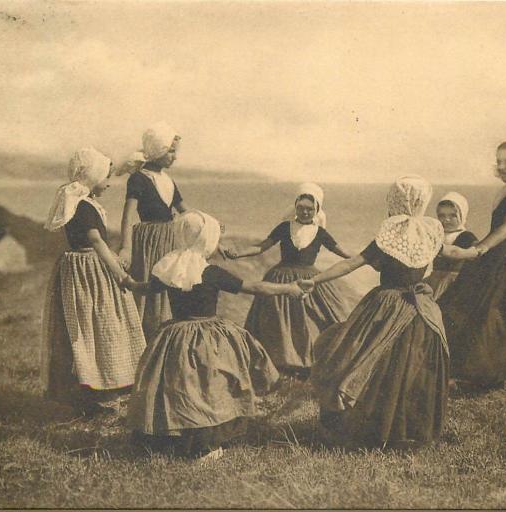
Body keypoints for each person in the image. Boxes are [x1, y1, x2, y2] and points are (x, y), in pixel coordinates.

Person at [301, 175, 478, 449]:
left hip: (386, 305)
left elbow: (351, 264)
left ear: (397, 201)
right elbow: (454, 252)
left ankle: (371, 428)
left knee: (362, 358)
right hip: (421, 308)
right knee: (412, 369)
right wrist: (482, 250)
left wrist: (315, 280)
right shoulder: (431, 233)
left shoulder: (389, 237)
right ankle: (405, 431)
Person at [124, 210, 305, 461]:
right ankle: (203, 446)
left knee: (177, 389)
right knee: (211, 387)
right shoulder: (209, 272)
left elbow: (144, 289)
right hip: (207, 337)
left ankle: (173, 438)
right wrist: (289, 288)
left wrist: (127, 281)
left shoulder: (168, 267)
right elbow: (254, 287)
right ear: (206, 241)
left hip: (175, 336)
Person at [42, 147, 146, 416]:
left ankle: (101, 388)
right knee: (98, 327)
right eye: (106, 178)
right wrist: (121, 275)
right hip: (90, 271)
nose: (109, 183)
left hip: (84, 268)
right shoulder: (82, 206)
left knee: (93, 328)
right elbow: (97, 243)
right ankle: (99, 391)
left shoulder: (78, 202)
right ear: (91, 177)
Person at [438, 135, 506, 390]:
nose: (503, 167)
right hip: (500, 256)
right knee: (479, 311)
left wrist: (477, 249)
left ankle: (482, 377)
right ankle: (470, 373)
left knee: (491, 316)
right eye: (499, 161)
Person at [227, 183, 352, 379]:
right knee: (277, 320)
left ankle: (309, 364)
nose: (304, 212)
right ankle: (281, 365)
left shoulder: (321, 233)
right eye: (300, 207)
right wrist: (238, 253)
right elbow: (262, 247)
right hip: (281, 277)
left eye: (309, 209)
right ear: (295, 206)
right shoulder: (285, 227)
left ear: (317, 209)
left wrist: (367, 259)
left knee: (314, 320)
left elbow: (343, 253)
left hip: (310, 280)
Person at [118, 122, 188, 340]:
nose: (175, 157)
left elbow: (185, 213)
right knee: (150, 287)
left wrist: (211, 234)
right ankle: (144, 340)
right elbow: (128, 215)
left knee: (169, 287)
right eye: (171, 151)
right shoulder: (139, 178)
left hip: (169, 240)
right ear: (158, 150)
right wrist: (126, 248)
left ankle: (166, 336)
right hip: (148, 242)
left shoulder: (168, 181)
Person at [424, 192, 478, 300]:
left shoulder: (467, 237)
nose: (446, 220)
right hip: (434, 281)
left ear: (462, 215)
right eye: (442, 216)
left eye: (453, 216)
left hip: (454, 283)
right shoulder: (437, 235)